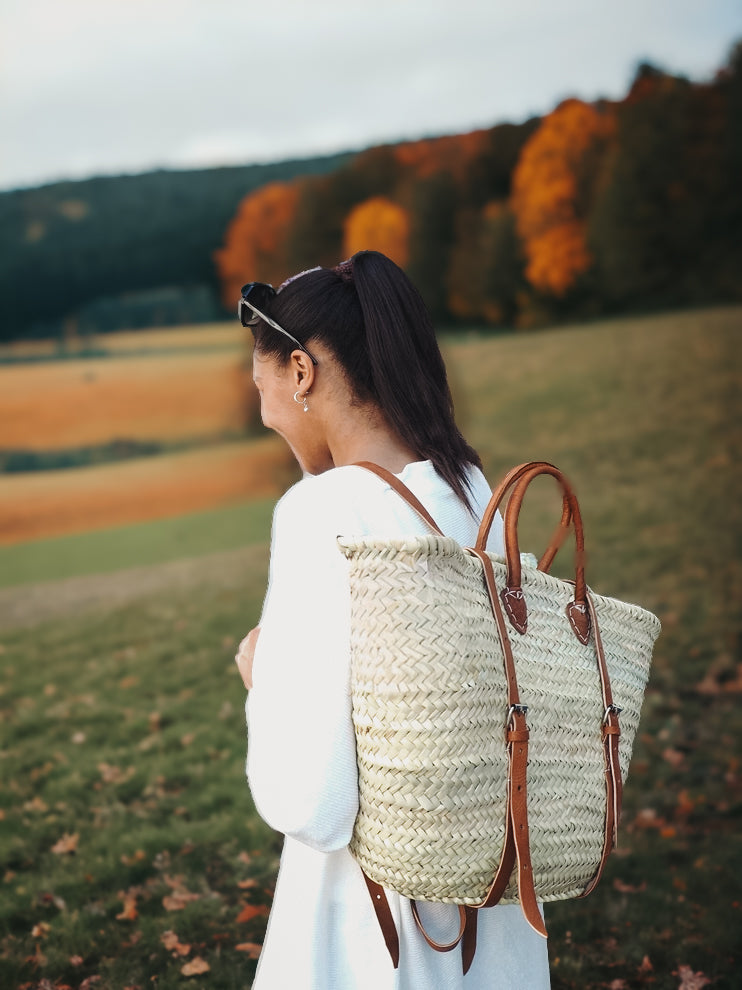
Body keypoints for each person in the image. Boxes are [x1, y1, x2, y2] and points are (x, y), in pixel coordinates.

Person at [233, 251, 551, 989]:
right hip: (491, 892)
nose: (265, 414)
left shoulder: (322, 512)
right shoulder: (471, 488)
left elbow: (314, 801)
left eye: (265, 387)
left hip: (380, 922)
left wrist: (261, 677)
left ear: (302, 374)